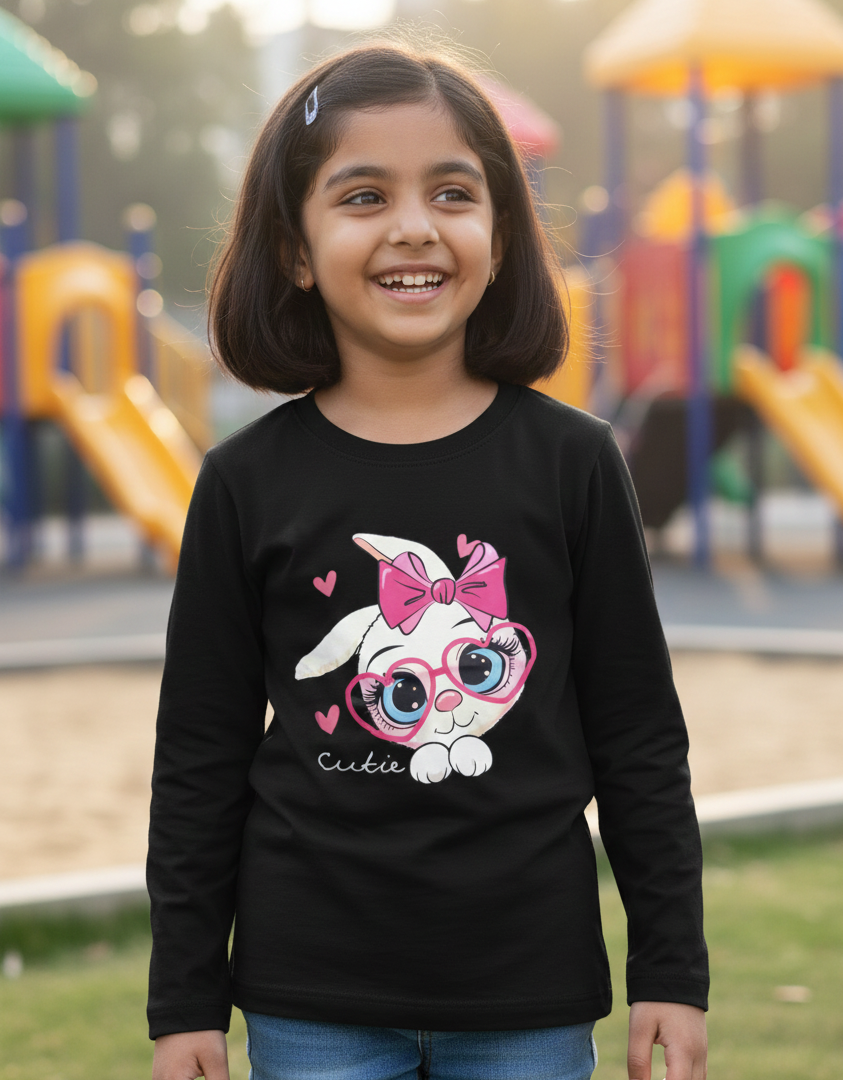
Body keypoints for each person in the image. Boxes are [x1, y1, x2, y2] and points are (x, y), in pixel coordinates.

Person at [148, 37, 709, 1080]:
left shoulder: (576, 463)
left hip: (529, 993)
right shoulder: (242, 483)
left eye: (453, 193)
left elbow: (638, 735)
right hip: (308, 998)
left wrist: (670, 969)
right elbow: (199, 759)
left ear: (499, 236)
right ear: (296, 250)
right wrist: (184, 1000)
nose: (414, 226)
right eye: (364, 196)